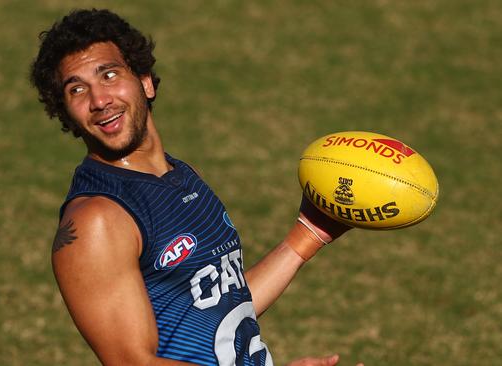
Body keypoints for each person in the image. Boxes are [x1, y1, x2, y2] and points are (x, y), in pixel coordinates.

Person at [30, 8, 363, 366]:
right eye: (77, 89)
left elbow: (216, 309)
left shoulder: (178, 174)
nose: (99, 100)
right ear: (67, 114)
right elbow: (132, 362)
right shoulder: (97, 220)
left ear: (145, 82)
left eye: (109, 75)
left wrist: (307, 236)